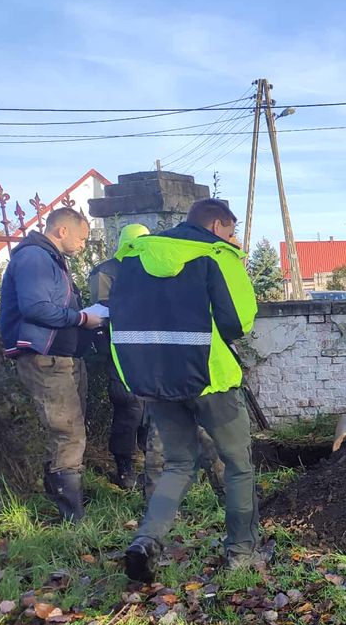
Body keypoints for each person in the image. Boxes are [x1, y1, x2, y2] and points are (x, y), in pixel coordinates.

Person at [109, 198, 262, 582]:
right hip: (211, 379)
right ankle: (241, 553)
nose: (233, 238)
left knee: (178, 464)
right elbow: (239, 322)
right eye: (230, 231)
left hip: (156, 378)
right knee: (238, 464)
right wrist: (231, 261)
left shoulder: (138, 255)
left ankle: (146, 540)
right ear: (216, 226)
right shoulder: (215, 254)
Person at [0, 208, 104, 521]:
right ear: (61, 231)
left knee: (68, 431)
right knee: (67, 432)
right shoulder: (35, 258)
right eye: (82, 237)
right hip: (47, 358)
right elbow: (36, 308)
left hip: (63, 356)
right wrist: (82, 318)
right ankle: (72, 517)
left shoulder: (50, 258)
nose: (84, 245)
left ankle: (65, 501)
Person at [87, 223, 150, 489]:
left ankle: (155, 465)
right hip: (121, 349)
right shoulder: (107, 271)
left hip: (150, 349)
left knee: (152, 409)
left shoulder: (152, 267)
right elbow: (101, 311)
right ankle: (125, 467)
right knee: (129, 407)